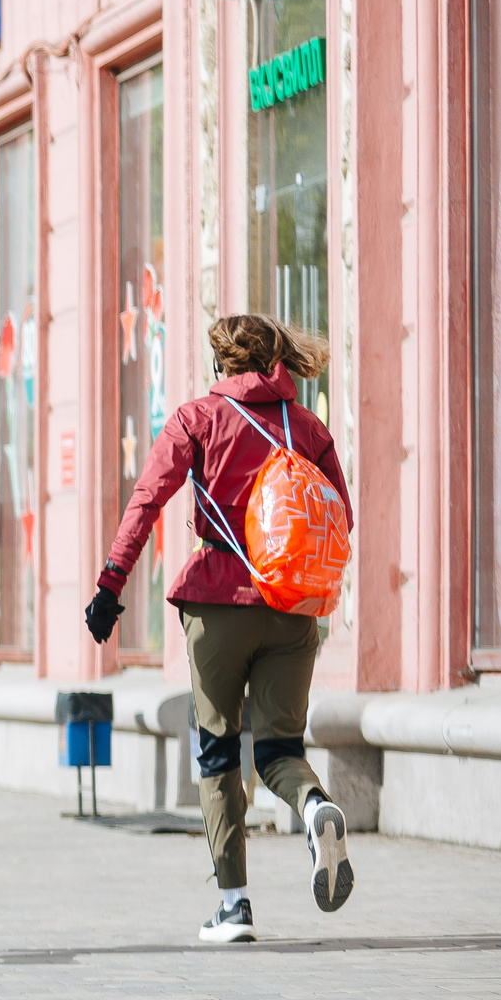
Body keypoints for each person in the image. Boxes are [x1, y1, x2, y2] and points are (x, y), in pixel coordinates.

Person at [87, 314, 355, 942]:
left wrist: (110, 584)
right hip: (292, 608)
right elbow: (340, 515)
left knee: (216, 749)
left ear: (221, 364)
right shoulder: (307, 427)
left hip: (217, 604)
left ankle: (234, 906)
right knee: (280, 751)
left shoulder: (198, 418)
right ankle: (315, 806)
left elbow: (147, 501)